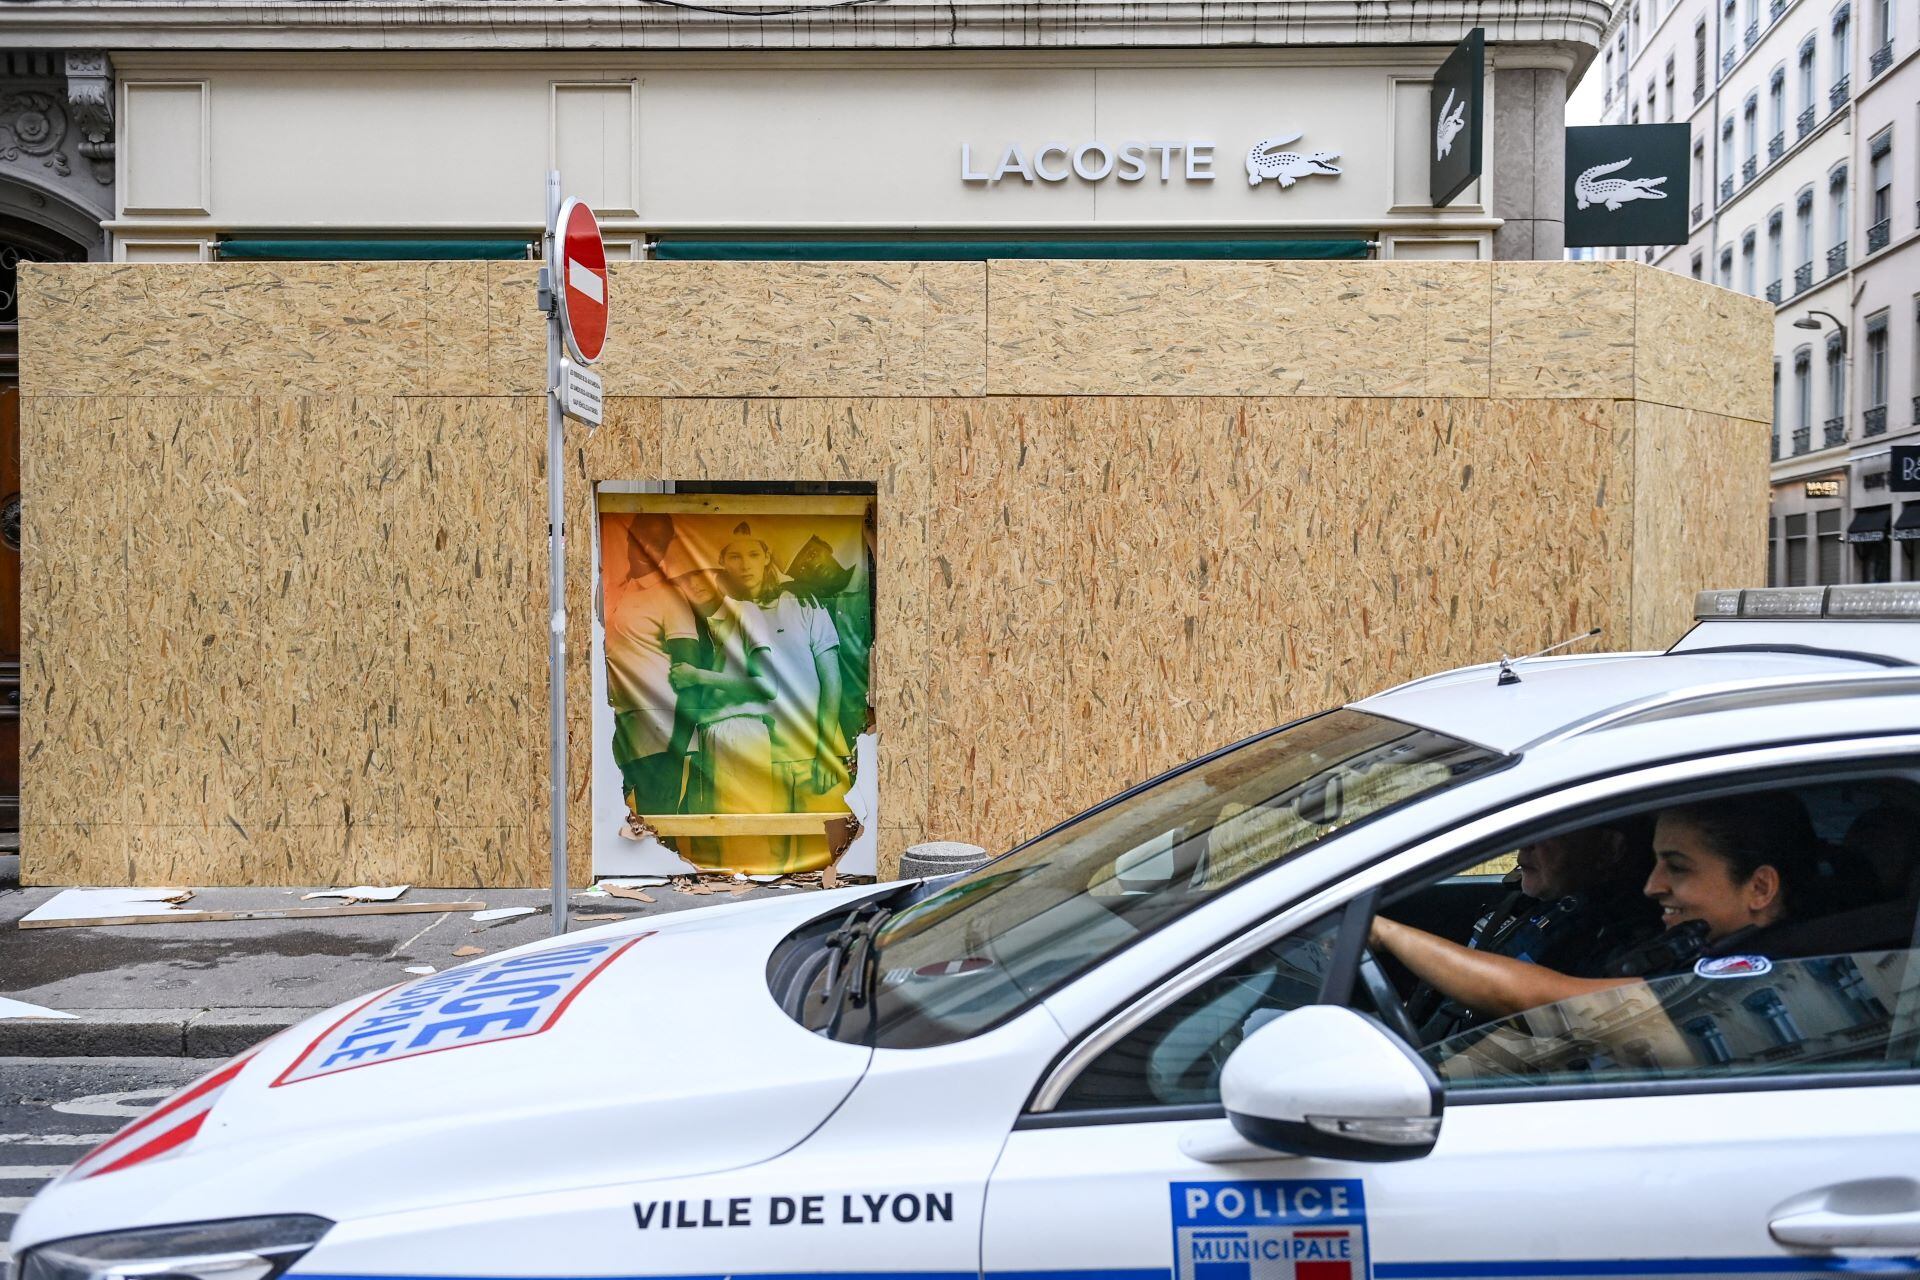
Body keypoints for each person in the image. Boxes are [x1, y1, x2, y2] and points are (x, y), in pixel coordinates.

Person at [1371, 793, 1822, 1028]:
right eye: (1656, 862)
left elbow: (1553, 1002)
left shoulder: (1763, 981)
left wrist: (1385, 932)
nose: (1652, 885)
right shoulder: (1706, 954)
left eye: (1677, 868)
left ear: (1759, 887)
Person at [1406, 822, 1661, 1042]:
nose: (1526, 845)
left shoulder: (1615, 940)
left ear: (1609, 848)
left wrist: (1389, 934)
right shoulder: (1534, 906)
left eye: (1549, 832)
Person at [718, 521, 850, 872]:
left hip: (813, 750)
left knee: (826, 860)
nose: (744, 564)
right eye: (734, 556)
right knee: (765, 864)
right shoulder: (722, 612)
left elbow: (831, 683)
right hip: (757, 754)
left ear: (766, 558)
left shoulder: (804, 604)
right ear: (722, 562)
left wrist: (825, 753)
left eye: (752, 554)